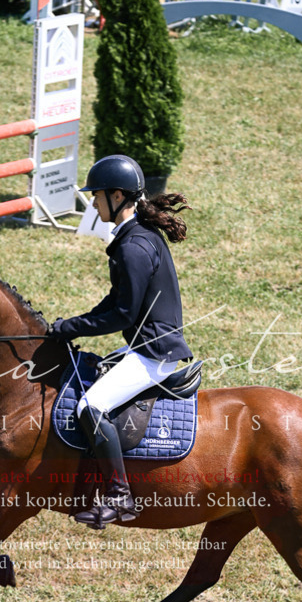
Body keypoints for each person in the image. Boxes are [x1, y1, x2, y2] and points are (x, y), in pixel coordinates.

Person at [50, 155, 193, 529]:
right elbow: (116, 302)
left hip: (153, 351)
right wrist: (74, 324)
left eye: (96, 196)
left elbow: (123, 314)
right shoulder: (136, 235)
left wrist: (73, 327)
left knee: (90, 405)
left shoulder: (133, 246)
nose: (93, 204)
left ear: (117, 196)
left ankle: (119, 496)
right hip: (145, 344)